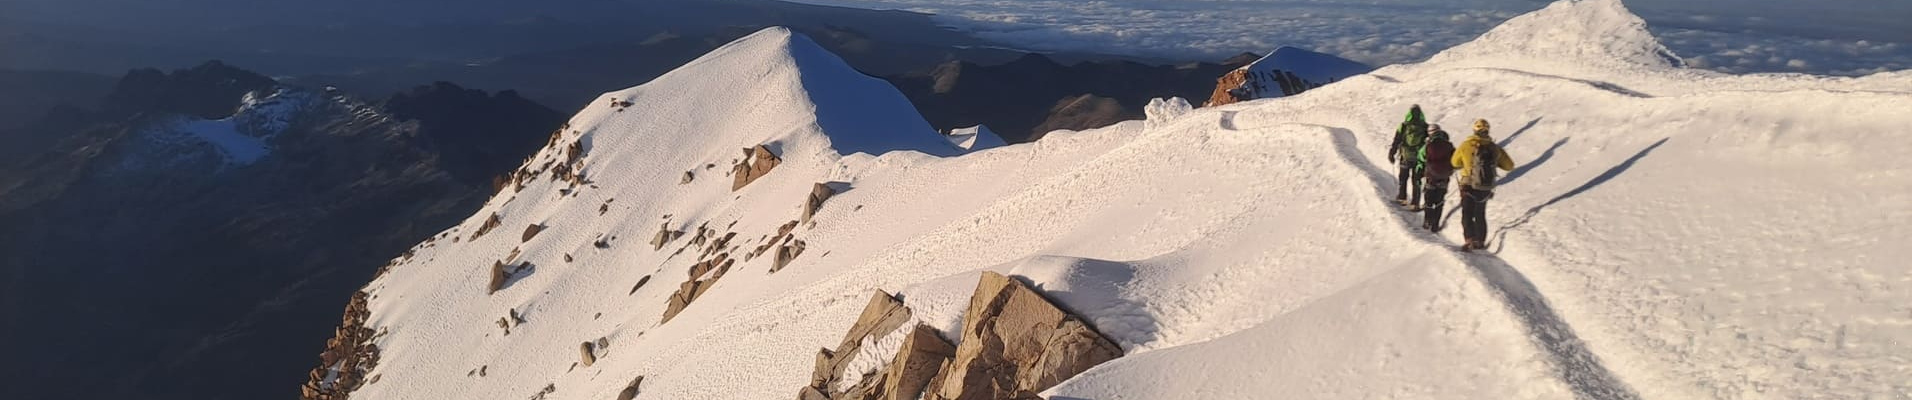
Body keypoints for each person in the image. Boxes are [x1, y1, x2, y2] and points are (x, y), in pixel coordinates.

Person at [1451, 119, 1515, 250]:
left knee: (1467, 213)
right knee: (1480, 213)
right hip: (1485, 186)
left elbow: (1454, 163)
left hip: (1468, 185)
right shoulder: (1494, 148)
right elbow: (1509, 166)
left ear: (1474, 130)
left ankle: (1469, 239)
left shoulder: (1466, 145)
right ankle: (1480, 241)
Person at [1387, 105, 1430, 208]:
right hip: (1419, 159)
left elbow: (1396, 140)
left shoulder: (1403, 126)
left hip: (1405, 156)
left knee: (1403, 177)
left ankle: (1402, 198)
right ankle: (1415, 203)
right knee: (1417, 180)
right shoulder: (1426, 127)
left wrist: (1392, 153)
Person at [1419, 124, 1456, 232]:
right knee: (1439, 201)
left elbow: (1421, 156)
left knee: (1429, 199)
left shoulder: (1428, 145)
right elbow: (1455, 159)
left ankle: (1427, 221)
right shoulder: (1449, 145)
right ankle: (1435, 224)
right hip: (1444, 176)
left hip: (1431, 176)